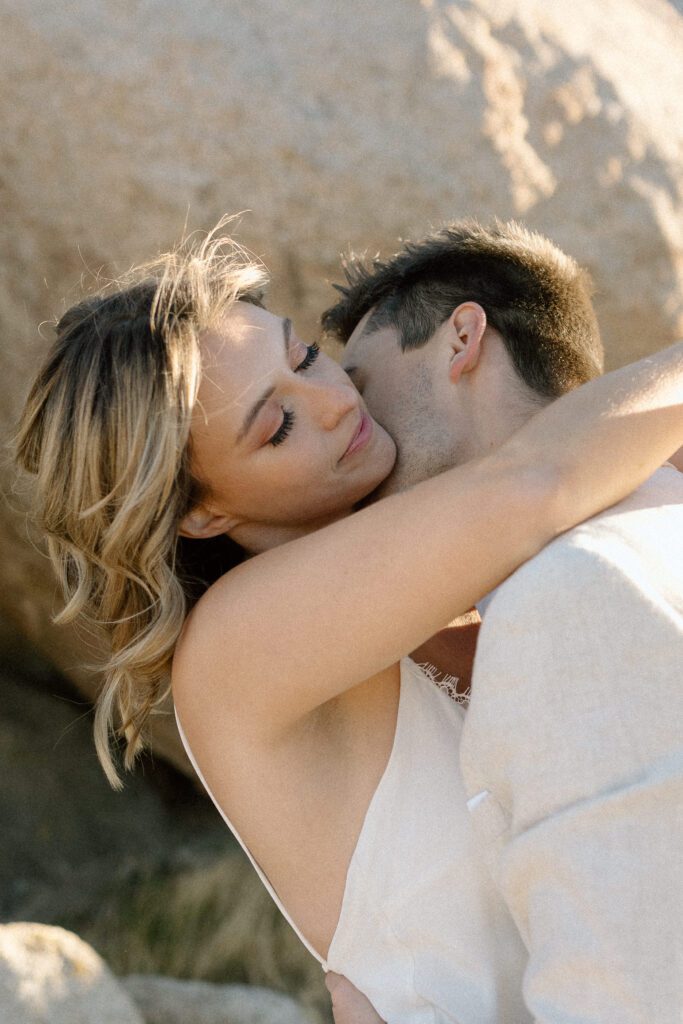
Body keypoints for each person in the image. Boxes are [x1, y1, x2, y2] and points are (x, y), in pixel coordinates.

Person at [15, 221, 683, 1024]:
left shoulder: (437, 594)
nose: (334, 402)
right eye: (278, 425)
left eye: (303, 358)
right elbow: (535, 481)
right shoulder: (236, 649)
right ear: (202, 511)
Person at [320, 220, 683, 1023]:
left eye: (362, 384)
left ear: (461, 336)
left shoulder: (569, 597)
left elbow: (632, 995)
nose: (349, 426)